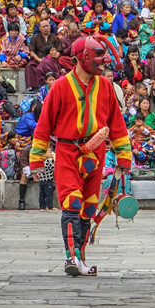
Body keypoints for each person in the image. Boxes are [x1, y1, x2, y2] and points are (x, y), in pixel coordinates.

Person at [30, 35, 130, 277]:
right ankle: (70, 257)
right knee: (71, 202)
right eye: (98, 55)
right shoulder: (61, 86)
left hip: (96, 153)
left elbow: (117, 124)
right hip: (67, 151)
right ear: (83, 57)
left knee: (88, 207)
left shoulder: (106, 86)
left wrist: (123, 157)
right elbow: (44, 125)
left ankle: (82, 258)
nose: (103, 61)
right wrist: (37, 159)